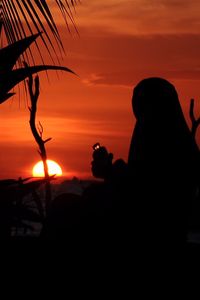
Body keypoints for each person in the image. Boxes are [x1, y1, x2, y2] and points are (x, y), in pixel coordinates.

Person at [91, 77, 199, 249]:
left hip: (152, 234)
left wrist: (110, 171)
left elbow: (146, 190)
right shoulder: (179, 138)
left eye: (144, 104)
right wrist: (111, 170)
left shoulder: (160, 138)